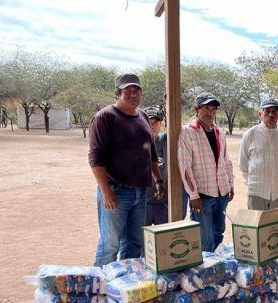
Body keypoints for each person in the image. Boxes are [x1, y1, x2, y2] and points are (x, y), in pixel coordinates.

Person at [88, 73, 164, 266]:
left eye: (136, 91)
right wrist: (106, 191)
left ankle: (126, 284)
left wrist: (158, 179)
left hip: (141, 191)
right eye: (127, 91)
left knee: (134, 243)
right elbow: (95, 158)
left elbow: (151, 152)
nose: (133, 95)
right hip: (116, 191)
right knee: (110, 244)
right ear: (117, 94)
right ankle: (101, 289)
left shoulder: (143, 116)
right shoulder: (105, 117)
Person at [178, 92, 234, 252]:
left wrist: (230, 185)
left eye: (213, 109)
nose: (210, 112)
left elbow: (226, 161)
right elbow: (185, 166)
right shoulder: (187, 132)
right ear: (197, 109)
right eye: (206, 108)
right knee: (204, 239)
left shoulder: (219, 132)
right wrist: (193, 196)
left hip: (221, 193)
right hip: (203, 196)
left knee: (218, 234)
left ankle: (216, 270)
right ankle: (204, 273)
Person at [239, 98, 278, 210]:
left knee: (277, 227)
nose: (271, 115)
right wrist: (250, 185)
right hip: (257, 192)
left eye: (274, 112)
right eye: (267, 111)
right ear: (260, 114)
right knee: (257, 226)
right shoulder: (250, 134)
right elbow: (243, 164)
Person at [144, 107, 168, 225]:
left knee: (164, 240)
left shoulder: (165, 140)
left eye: (155, 122)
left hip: (163, 202)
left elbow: (177, 129)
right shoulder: (137, 142)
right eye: (149, 122)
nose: (152, 125)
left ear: (161, 123)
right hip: (143, 202)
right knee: (141, 239)